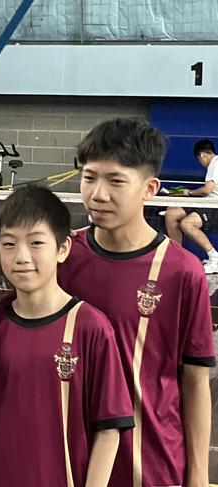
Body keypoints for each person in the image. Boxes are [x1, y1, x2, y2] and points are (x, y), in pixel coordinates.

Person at [58, 118, 215, 487]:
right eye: (89, 177)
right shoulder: (62, 255)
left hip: (151, 465)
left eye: (115, 181)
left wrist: (197, 476)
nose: (97, 193)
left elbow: (194, 382)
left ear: (150, 188)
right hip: (69, 460)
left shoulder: (182, 271)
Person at [0, 185, 133, 487]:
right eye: (9, 245)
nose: (22, 257)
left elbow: (108, 428)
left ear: (62, 248)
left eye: (36, 243)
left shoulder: (90, 327)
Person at [164, 138, 218, 273]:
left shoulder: (215, 162)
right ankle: (178, 258)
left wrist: (189, 193)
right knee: (172, 213)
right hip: (205, 203)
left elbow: (207, 189)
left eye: (199, 160)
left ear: (202, 155)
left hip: (214, 206)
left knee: (187, 224)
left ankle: (214, 258)